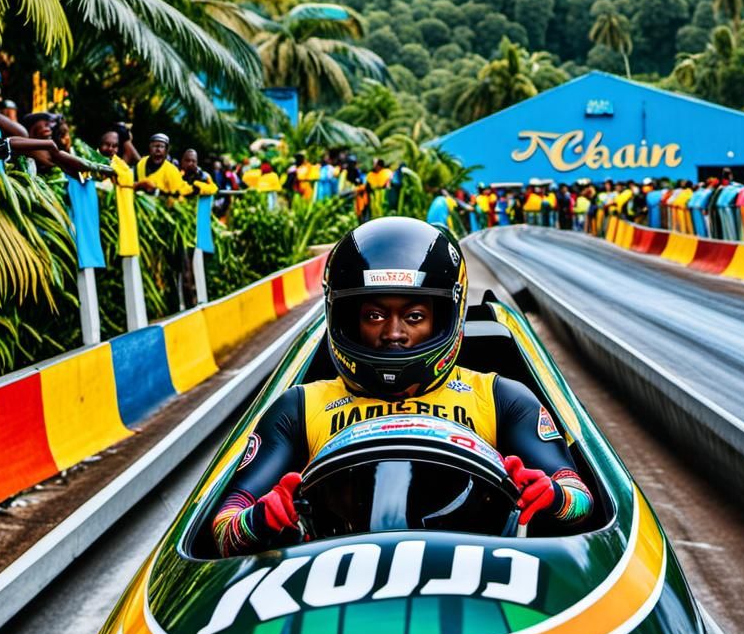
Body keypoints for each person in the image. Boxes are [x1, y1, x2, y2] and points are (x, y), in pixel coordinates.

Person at [212, 218, 594, 556]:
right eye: (374, 315)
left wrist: (552, 496)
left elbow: (581, 499)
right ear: (347, 319)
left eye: (414, 316)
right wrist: (261, 518)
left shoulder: (501, 399)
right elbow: (223, 528)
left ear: (444, 318)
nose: (393, 333)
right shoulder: (297, 408)